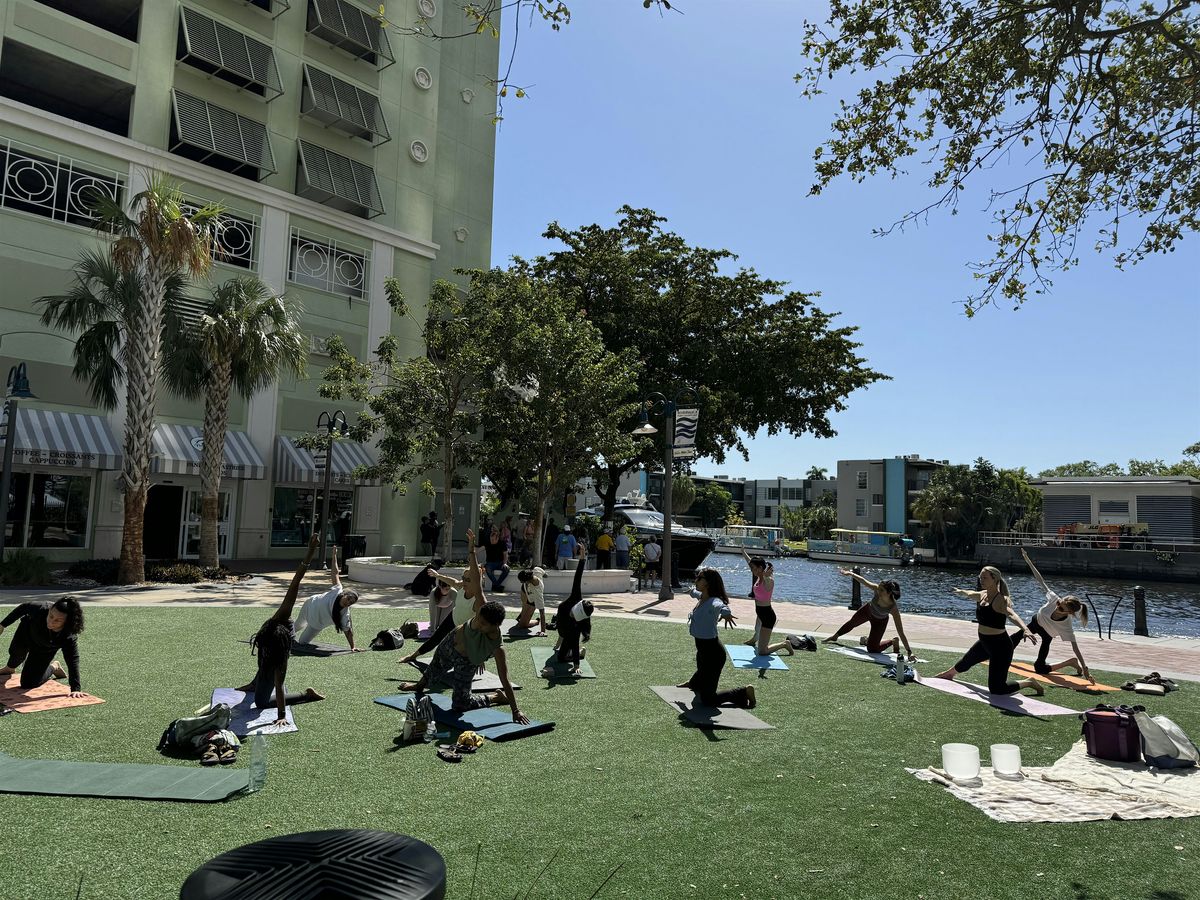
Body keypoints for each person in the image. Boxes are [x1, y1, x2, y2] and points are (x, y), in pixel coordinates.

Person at [236, 534, 327, 726]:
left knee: (261, 701)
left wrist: (281, 716)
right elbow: (296, 581)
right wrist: (310, 551)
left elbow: (277, 687)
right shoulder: (280, 616)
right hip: (272, 641)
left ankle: (306, 695)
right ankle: (255, 683)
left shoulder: (280, 659)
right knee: (262, 660)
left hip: (277, 654)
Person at [398, 599, 528, 723]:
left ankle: (495, 697)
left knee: (460, 706)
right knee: (434, 669)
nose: (478, 624)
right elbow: (474, 638)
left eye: (483, 624)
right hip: (450, 643)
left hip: (466, 662)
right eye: (478, 619)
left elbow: (504, 679)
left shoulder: (498, 649)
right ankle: (419, 686)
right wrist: (480, 657)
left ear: (496, 625)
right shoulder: (479, 620)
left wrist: (516, 710)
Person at [933, 566, 1044, 696]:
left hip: (1000, 647)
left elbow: (1012, 614)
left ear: (994, 579)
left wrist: (1025, 629)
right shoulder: (982, 595)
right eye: (980, 577)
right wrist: (960, 591)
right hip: (985, 642)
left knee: (997, 688)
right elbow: (970, 594)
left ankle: (1029, 682)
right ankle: (949, 674)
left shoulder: (1000, 600)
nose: (981, 580)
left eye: (985, 577)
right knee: (965, 663)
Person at [399, 529, 485, 666]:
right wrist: (437, 575)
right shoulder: (462, 586)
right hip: (453, 619)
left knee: (455, 652)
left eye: (467, 579)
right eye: (463, 578)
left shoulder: (480, 599)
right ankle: (413, 655)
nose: (463, 581)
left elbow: (482, 630)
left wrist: (471, 550)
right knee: (436, 639)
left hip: (466, 630)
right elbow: (453, 582)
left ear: (475, 581)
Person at [677, 568, 755, 709]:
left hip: (713, 655)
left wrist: (726, 613)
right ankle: (694, 683)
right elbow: (694, 593)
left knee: (708, 700)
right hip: (702, 650)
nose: (696, 580)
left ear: (708, 583)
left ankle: (743, 692)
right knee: (700, 671)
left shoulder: (713, 601)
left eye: (700, 578)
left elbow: (721, 606)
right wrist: (690, 591)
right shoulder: (702, 596)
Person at [1019, 548, 1094, 681]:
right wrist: (1027, 560)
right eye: (1060, 603)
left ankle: (1070, 662)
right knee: (1014, 638)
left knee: (1039, 668)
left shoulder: (1067, 625)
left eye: (1061, 608)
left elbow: (1075, 648)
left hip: (1047, 635)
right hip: (1035, 623)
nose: (1058, 606)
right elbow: (1040, 580)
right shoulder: (1055, 599)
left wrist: (1084, 668)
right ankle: (999, 655)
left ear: (1069, 613)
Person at [0, 596, 86, 697]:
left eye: (58, 621)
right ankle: (10, 668)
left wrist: (75, 688)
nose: (51, 621)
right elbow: (23, 607)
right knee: (16, 652)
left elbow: (72, 660)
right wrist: (2, 625)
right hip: (27, 632)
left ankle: (54, 666)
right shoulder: (41, 608)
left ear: (67, 622)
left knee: (28, 683)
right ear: (50, 610)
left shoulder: (68, 636)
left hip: (44, 649)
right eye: (51, 616)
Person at [822, 569, 915, 659]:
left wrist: (909, 652)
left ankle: (893, 641)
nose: (878, 591)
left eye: (881, 590)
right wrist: (850, 573)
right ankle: (835, 636)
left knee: (872, 649)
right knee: (852, 623)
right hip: (867, 611)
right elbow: (863, 581)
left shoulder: (893, 608)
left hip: (880, 621)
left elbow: (900, 631)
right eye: (878, 588)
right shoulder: (877, 589)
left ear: (889, 593)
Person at [293, 546, 362, 651]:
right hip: (309, 606)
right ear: (344, 594)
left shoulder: (344, 613)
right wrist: (334, 555)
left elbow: (348, 631)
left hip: (316, 625)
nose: (348, 603)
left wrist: (353, 647)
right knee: (297, 626)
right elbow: (335, 573)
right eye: (348, 599)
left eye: (350, 603)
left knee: (302, 642)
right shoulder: (337, 590)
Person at [740, 549, 801, 657]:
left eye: (753, 568)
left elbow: (768, 581)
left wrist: (766, 575)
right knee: (758, 638)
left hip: (768, 617)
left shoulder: (769, 580)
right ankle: (754, 640)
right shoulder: (758, 577)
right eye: (751, 568)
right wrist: (743, 551)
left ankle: (785, 644)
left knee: (762, 651)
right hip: (760, 613)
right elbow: (750, 562)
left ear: (760, 568)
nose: (751, 570)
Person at [546, 558, 593, 676]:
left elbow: (575, 641)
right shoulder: (575, 597)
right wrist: (582, 559)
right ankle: (565, 647)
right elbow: (578, 578)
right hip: (561, 625)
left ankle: (577, 653)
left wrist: (576, 665)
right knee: (563, 638)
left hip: (568, 632)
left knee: (561, 658)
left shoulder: (577, 624)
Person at [514, 566, 547, 634]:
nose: (520, 582)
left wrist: (543, 631)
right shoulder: (536, 570)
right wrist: (544, 574)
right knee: (524, 605)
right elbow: (546, 575)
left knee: (522, 625)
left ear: (527, 581)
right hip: (524, 590)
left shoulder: (537, 593)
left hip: (531, 599)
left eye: (521, 581)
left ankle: (537, 621)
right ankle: (523, 613)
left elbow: (542, 611)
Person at [484, 526, 511, 592]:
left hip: (500, 562)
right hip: (490, 563)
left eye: (493, 540)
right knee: (488, 569)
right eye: (491, 539)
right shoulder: (488, 543)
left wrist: (505, 563)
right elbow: (479, 549)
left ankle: (496, 585)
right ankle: (498, 586)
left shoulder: (502, 543)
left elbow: (505, 554)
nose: (491, 541)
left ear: (497, 539)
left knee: (507, 569)